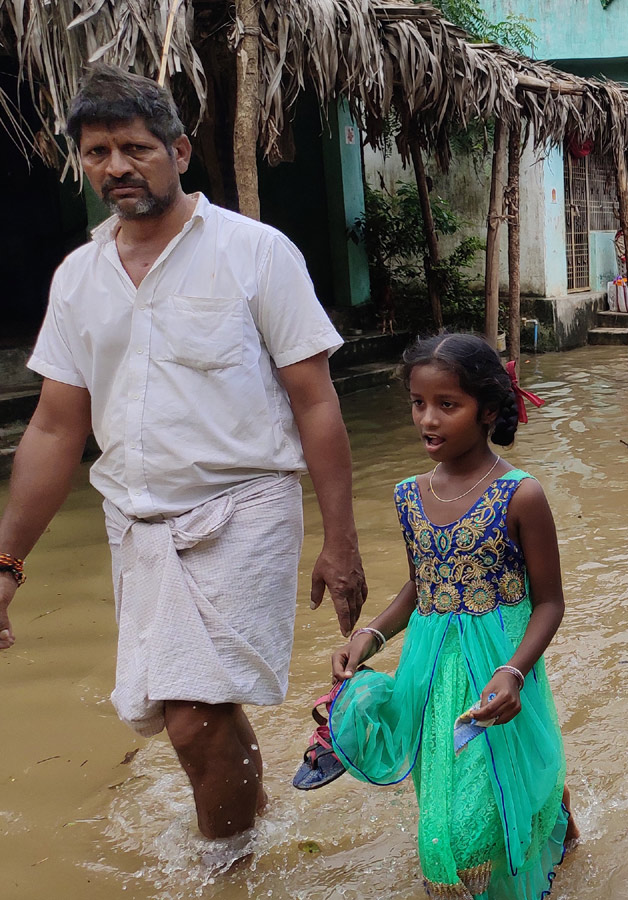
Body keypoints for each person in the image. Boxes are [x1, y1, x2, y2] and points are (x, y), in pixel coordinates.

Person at [0, 65, 366, 845]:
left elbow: (315, 401)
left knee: (194, 716)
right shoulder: (79, 278)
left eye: (134, 147)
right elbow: (56, 428)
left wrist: (341, 542)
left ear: (179, 149)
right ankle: (256, 837)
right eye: (96, 153)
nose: (116, 168)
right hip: (136, 525)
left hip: (244, 511)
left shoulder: (256, 253)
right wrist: (7, 562)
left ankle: (224, 873)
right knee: (194, 715)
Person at [327, 333, 576, 900]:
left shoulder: (521, 495)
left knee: (492, 801)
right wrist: (370, 635)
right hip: (431, 670)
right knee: (445, 792)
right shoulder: (409, 495)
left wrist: (514, 670)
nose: (427, 420)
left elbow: (550, 602)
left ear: (488, 410)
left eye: (447, 405)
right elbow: (423, 584)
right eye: (418, 403)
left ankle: (543, 843)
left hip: (500, 663)